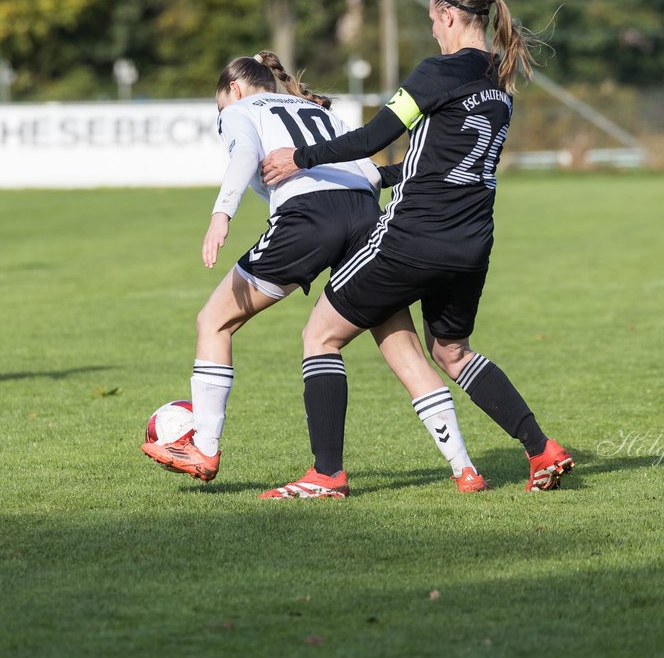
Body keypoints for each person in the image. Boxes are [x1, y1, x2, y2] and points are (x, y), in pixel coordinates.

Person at [261, 0, 575, 497]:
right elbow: (439, 160)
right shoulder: (500, 82)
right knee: (452, 353)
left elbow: (373, 135)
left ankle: (326, 474)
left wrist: (302, 158)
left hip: (412, 238)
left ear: (449, 15)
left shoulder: (437, 72)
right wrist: (382, 177)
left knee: (320, 336)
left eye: (433, 20)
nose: (432, 32)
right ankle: (541, 449)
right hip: (472, 244)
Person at [140, 50, 488, 495]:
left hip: (309, 221)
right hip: (366, 215)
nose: (220, 114)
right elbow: (368, 171)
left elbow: (245, 153)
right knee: (399, 340)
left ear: (235, 89)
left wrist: (221, 214)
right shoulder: (316, 109)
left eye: (219, 104)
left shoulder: (240, 110)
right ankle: (465, 468)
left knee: (214, 321)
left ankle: (204, 447)